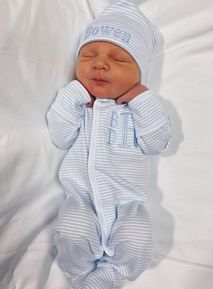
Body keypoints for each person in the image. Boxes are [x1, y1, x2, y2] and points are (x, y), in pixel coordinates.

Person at [46, 1, 171, 288]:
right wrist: (73, 93)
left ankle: (112, 276)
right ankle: (79, 276)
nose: (99, 64)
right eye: (88, 55)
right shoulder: (82, 106)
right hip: (81, 199)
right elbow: (60, 136)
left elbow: (157, 142)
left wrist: (143, 99)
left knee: (137, 241)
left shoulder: (142, 109)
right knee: (72, 232)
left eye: (119, 59)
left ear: (139, 72)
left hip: (128, 205)